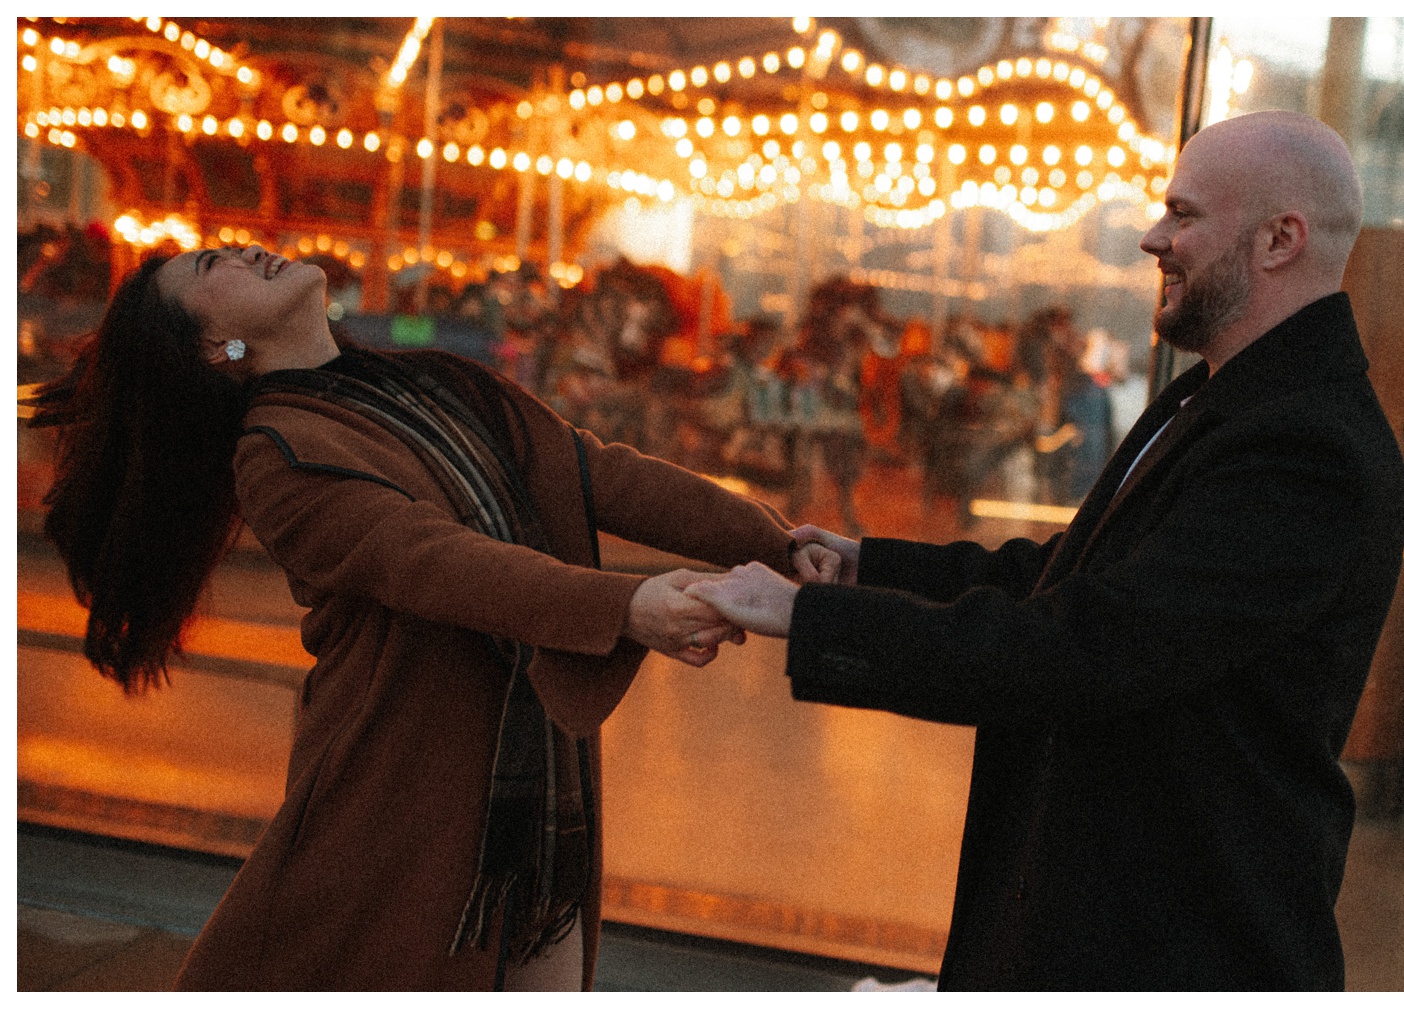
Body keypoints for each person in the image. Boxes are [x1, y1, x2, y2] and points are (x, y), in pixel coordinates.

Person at [687, 110, 1404, 990]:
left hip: (1175, 950)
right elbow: (1076, 573)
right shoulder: (1227, 400)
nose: (1154, 237)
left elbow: (1090, 646)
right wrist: (868, 564)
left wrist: (814, 617)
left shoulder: (1306, 448)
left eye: (1183, 215)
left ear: (1279, 240)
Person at [25, 244, 829, 991]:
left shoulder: (440, 379)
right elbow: (424, 558)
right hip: (399, 795)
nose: (242, 247)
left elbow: (599, 474)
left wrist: (780, 543)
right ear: (214, 349)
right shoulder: (275, 452)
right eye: (212, 265)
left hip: (539, 801)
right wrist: (624, 605)